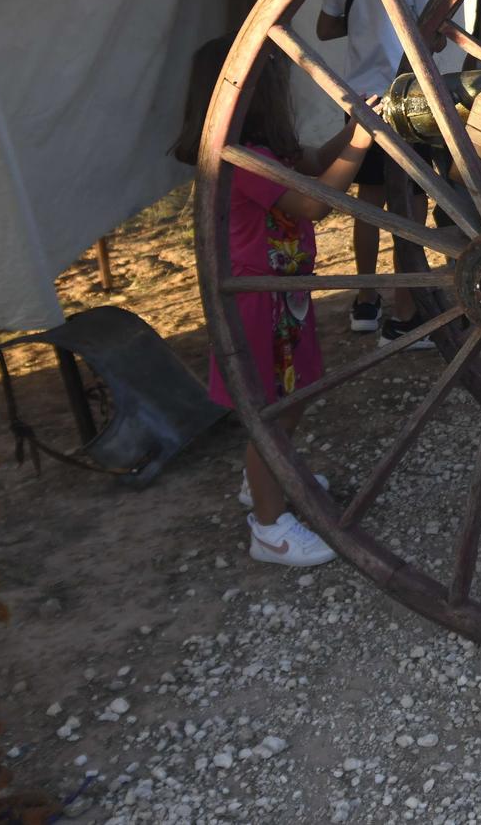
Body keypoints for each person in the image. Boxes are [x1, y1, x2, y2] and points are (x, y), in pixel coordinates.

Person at [172, 37, 374, 568]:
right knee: (272, 410)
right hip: (257, 300)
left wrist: (351, 133)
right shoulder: (242, 159)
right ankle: (269, 530)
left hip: (282, 293)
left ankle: (261, 479)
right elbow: (311, 204)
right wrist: (360, 148)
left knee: (292, 396)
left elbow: (310, 162)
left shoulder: (266, 153)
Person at [316, 0, 440, 347]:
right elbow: (438, 39)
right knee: (410, 207)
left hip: (361, 100)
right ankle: (408, 312)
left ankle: (366, 302)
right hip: (406, 103)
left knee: (370, 206)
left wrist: (367, 21)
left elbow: (325, 30)